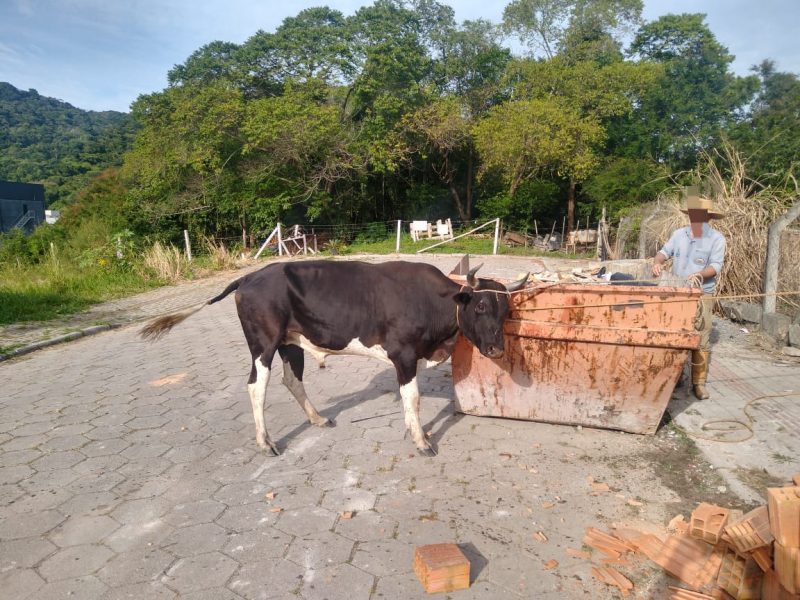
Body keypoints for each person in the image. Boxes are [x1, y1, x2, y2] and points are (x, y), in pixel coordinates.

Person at [651, 187, 726, 400]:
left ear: (708, 217)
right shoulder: (679, 234)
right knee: (675, 335)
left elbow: (715, 267)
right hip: (678, 294)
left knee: (701, 338)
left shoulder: (717, 239)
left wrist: (700, 274)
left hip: (702, 294)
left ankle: (698, 383)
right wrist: (657, 262)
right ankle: (674, 378)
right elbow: (663, 252)